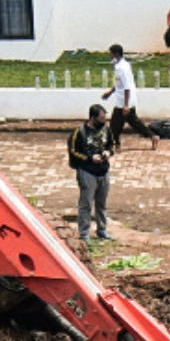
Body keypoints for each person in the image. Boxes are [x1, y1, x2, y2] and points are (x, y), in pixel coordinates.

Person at [69, 103, 115, 245]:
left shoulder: (106, 129)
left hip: (103, 171)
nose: (104, 121)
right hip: (87, 172)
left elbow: (111, 144)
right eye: (101, 119)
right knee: (86, 204)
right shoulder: (80, 132)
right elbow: (73, 151)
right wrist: (90, 158)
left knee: (102, 203)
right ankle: (84, 233)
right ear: (93, 118)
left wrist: (108, 152)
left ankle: (102, 230)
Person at [106, 43, 141, 141]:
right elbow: (119, 83)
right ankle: (152, 136)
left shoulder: (121, 68)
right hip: (124, 100)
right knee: (133, 122)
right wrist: (110, 92)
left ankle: (115, 142)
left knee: (115, 124)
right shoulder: (123, 65)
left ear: (116, 54)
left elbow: (126, 86)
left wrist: (126, 105)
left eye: (111, 53)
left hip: (123, 101)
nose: (109, 55)